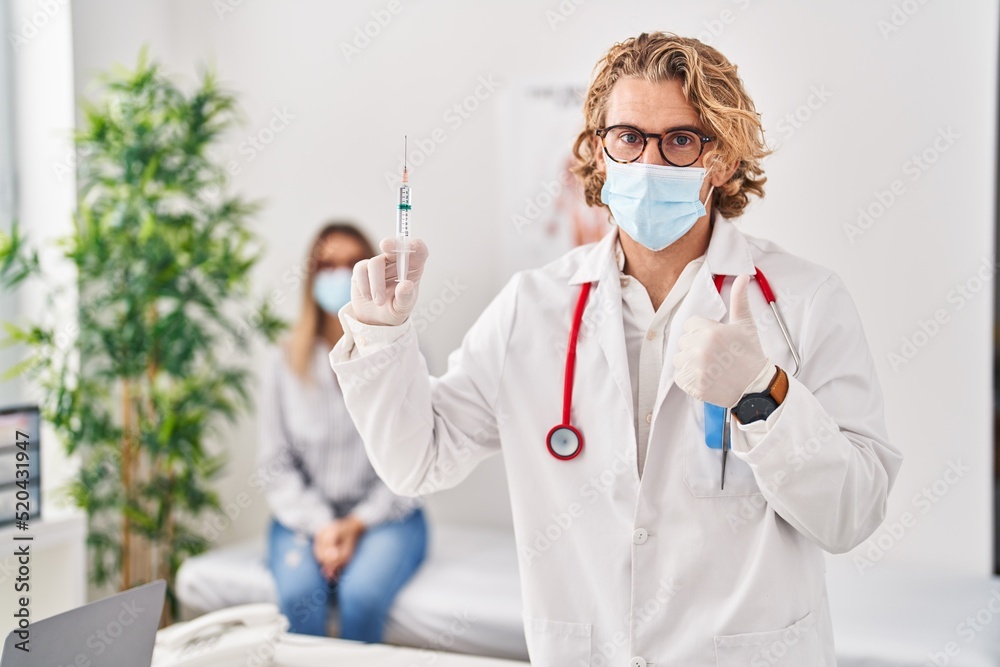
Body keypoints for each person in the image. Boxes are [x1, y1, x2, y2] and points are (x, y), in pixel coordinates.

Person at [329, 33, 902, 666]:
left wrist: (762, 394)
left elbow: (852, 513)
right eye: (628, 137)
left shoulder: (804, 302)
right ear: (599, 154)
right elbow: (418, 459)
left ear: (724, 160)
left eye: (680, 140)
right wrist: (383, 339)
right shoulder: (532, 306)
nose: (649, 162)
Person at [258, 221, 427, 641]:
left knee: (363, 598)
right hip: (304, 520)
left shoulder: (401, 353)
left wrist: (355, 524)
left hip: (387, 519)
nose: (338, 274)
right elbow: (274, 464)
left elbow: (419, 455)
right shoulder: (283, 363)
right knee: (299, 598)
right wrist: (323, 526)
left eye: (352, 264)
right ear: (310, 277)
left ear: (370, 272)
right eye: (326, 265)